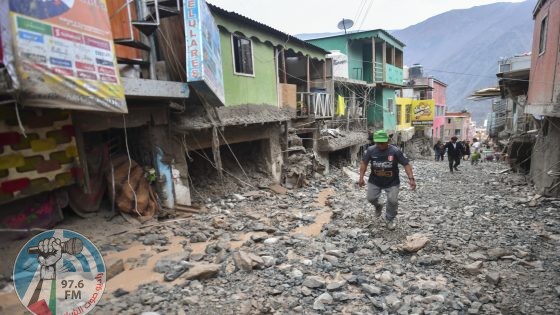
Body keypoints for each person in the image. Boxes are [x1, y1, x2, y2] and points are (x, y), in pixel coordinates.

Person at [358, 130, 416, 230]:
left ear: (388, 141)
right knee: (370, 198)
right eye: (378, 143)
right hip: (375, 180)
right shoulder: (371, 150)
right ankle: (378, 205)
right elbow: (364, 163)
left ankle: (389, 219)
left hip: (392, 182)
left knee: (392, 200)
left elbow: (406, 164)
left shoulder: (395, 151)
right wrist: (361, 177)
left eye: (382, 142)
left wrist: (411, 178)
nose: (380, 145)